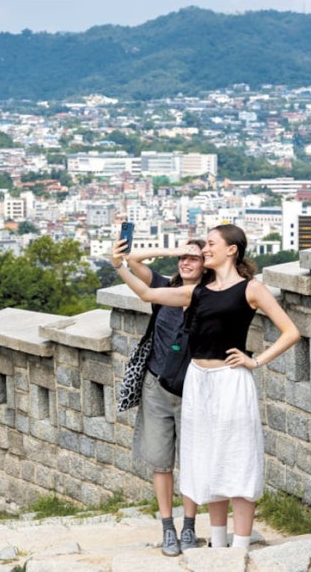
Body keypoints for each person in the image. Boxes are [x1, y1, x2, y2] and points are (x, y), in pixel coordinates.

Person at [112, 224, 301, 550]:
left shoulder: (251, 289)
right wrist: (117, 265)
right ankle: (217, 544)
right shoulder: (197, 293)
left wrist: (255, 361)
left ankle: (239, 546)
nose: (205, 249)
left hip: (231, 381)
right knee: (209, 460)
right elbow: (147, 294)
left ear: (232, 249)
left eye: (211, 244)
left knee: (238, 458)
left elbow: (291, 332)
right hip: (198, 382)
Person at [111, 238, 208, 557]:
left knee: (192, 460)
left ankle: (190, 526)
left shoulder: (210, 296)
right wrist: (173, 250)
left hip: (194, 388)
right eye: (183, 258)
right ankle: (168, 527)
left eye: (194, 258)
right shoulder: (165, 287)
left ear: (206, 264)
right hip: (156, 385)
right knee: (160, 461)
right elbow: (134, 260)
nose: (186, 262)